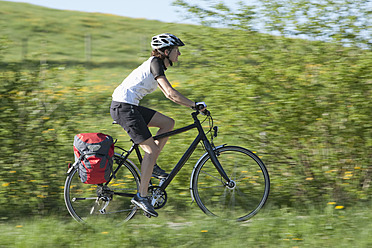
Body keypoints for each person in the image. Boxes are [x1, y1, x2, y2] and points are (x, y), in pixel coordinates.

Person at [110, 33, 206, 217]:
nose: (179, 54)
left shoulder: (158, 65)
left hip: (129, 106)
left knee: (168, 123)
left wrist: (190, 104)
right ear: (166, 51)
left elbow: (167, 94)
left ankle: (151, 165)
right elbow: (171, 93)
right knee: (151, 150)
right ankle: (142, 195)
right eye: (176, 51)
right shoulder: (155, 63)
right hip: (124, 108)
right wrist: (195, 105)